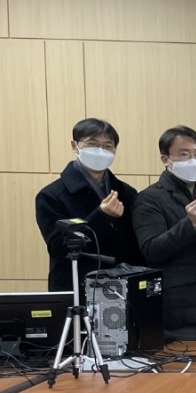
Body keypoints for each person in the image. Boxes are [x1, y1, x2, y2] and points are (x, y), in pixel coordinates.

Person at [131, 126, 196, 341]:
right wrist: (189, 224)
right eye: (184, 154)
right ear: (165, 159)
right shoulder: (150, 198)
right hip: (176, 308)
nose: (193, 160)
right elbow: (151, 250)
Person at [35, 117, 141, 291]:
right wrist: (101, 216)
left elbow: (135, 246)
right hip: (76, 286)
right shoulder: (51, 196)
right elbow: (59, 249)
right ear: (74, 146)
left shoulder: (127, 193)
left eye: (107, 146)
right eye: (92, 144)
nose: (100, 151)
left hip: (120, 287)